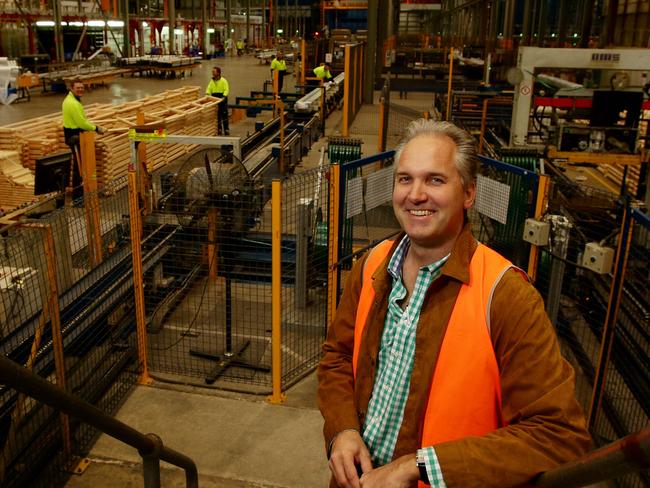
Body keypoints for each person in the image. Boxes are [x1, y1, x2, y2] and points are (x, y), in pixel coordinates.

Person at [317, 119, 591, 488]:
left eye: (435, 180)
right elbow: (336, 358)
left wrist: (418, 466)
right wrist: (342, 430)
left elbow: (559, 434)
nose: (415, 194)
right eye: (405, 179)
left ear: (468, 194)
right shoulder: (372, 266)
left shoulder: (505, 295)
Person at [62, 79, 104, 200]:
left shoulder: (73, 100)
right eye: (78, 88)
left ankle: (82, 194)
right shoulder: (72, 103)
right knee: (79, 168)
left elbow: (81, 120)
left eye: (82, 87)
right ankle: (78, 197)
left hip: (76, 134)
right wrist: (96, 128)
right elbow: (81, 123)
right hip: (74, 136)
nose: (80, 90)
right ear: (71, 88)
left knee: (79, 165)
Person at [205, 66, 230, 136]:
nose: (212, 73)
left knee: (224, 114)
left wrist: (224, 96)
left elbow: (226, 89)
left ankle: (226, 129)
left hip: (222, 98)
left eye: (214, 72)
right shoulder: (212, 81)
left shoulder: (223, 80)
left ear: (218, 73)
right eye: (212, 72)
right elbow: (209, 88)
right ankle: (219, 129)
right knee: (217, 115)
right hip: (214, 98)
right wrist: (207, 94)